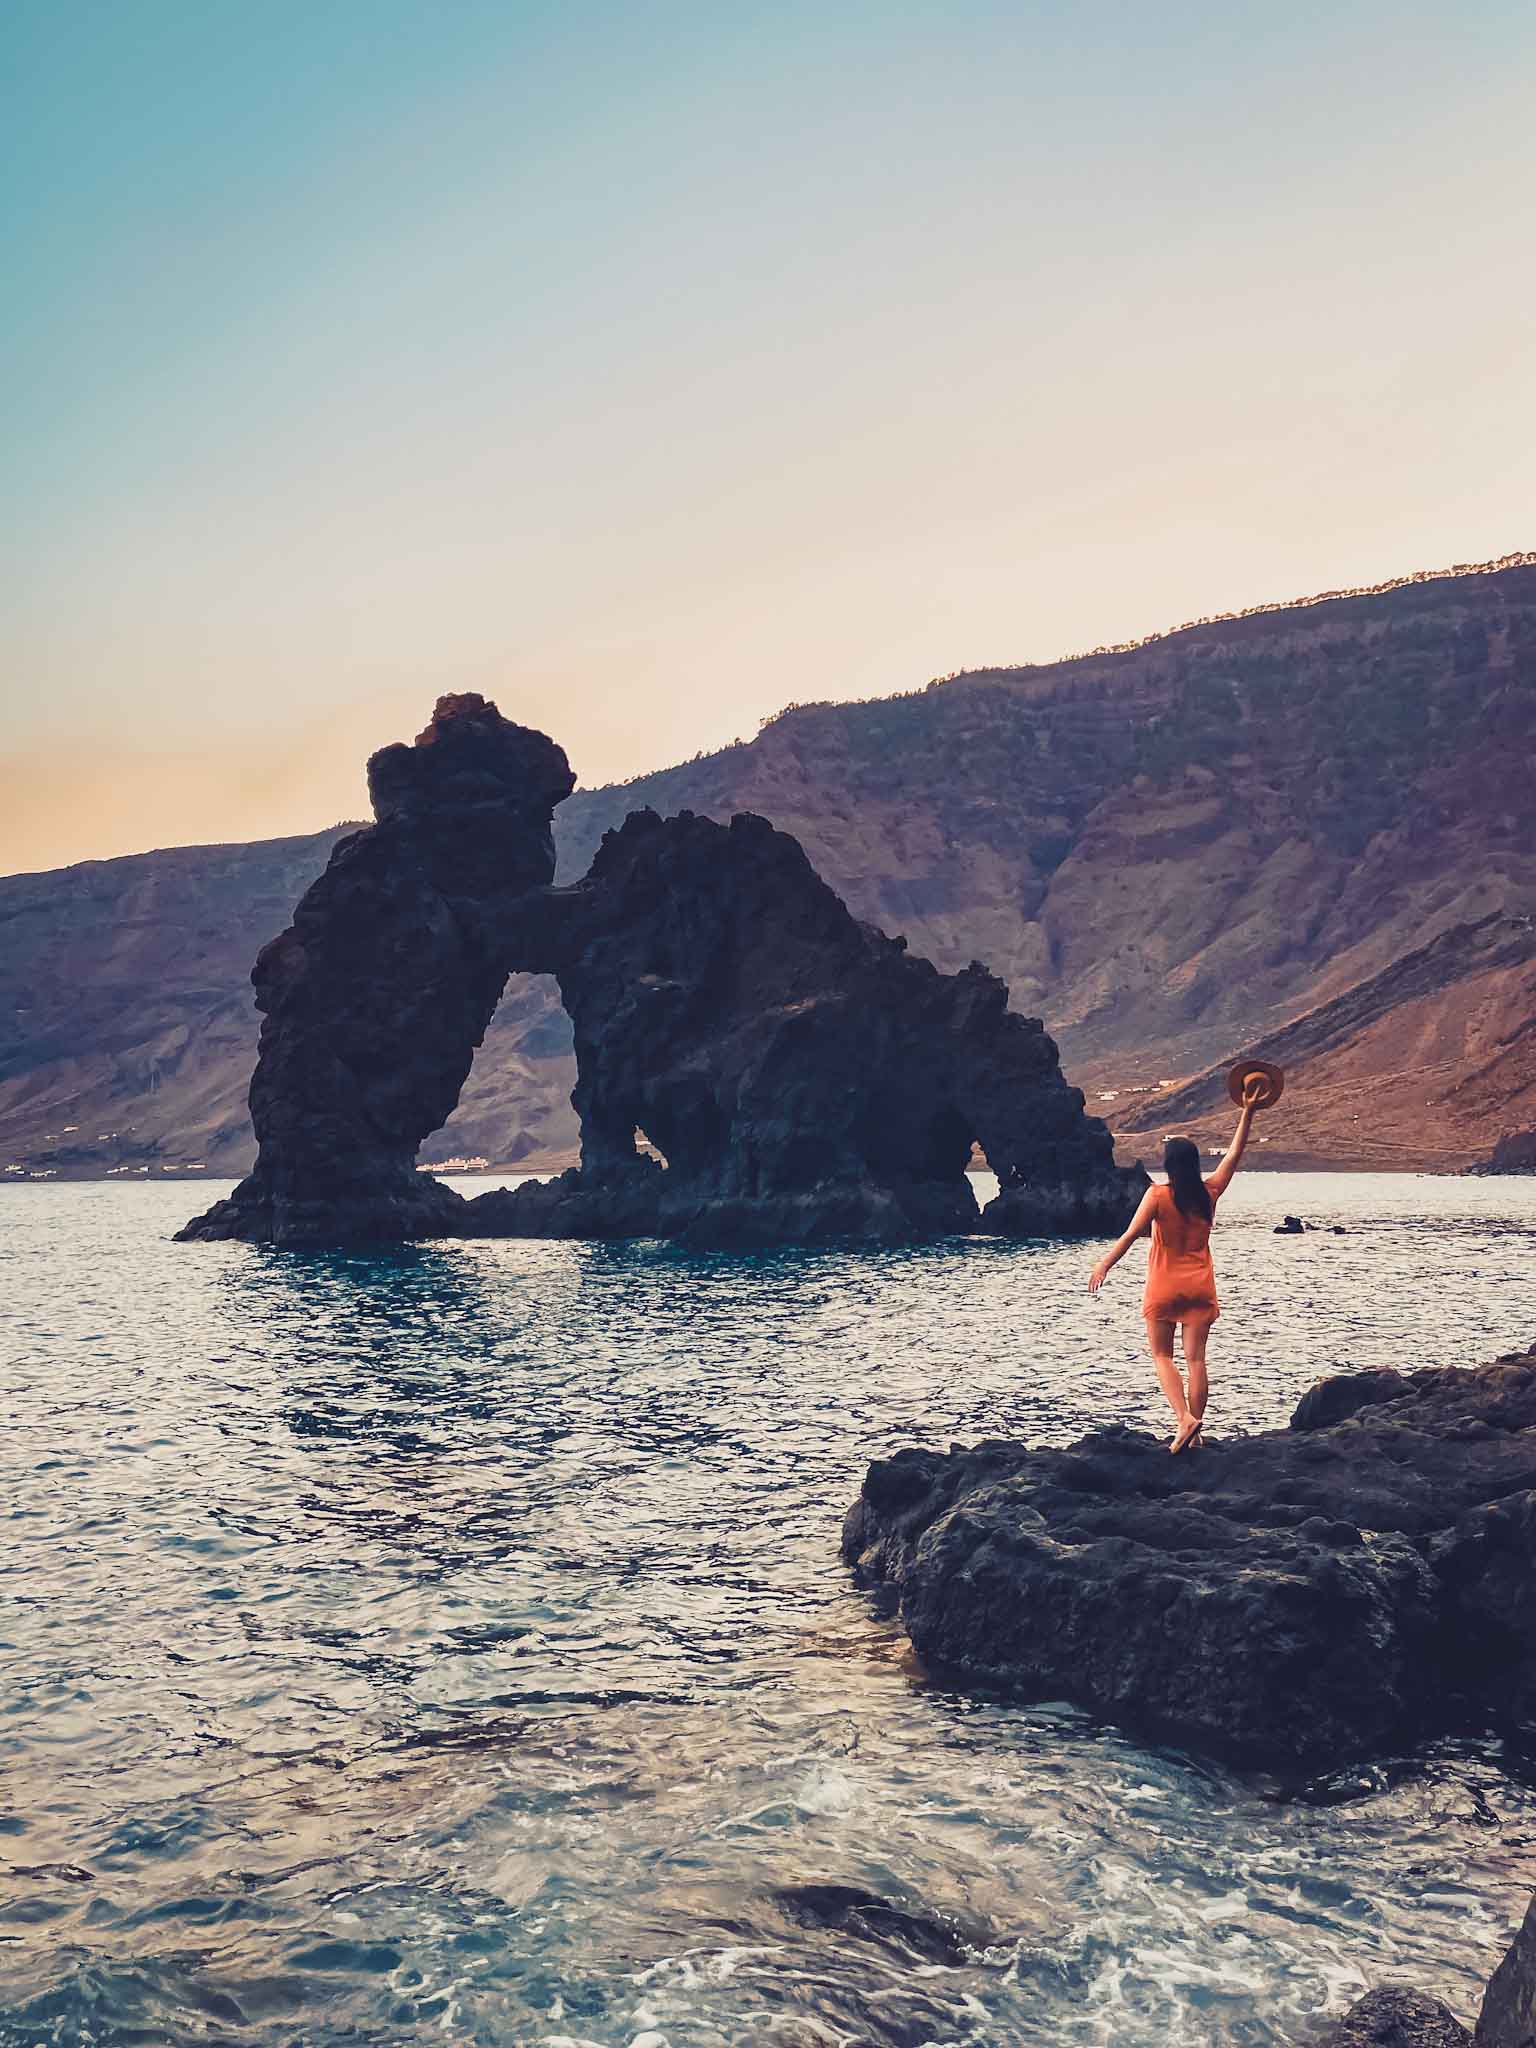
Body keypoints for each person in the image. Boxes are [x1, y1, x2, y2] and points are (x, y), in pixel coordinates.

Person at [1087, 1077, 1267, 1453]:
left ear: (1168, 1166)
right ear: (1195, 1164)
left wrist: (1104, 1265)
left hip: (1164, 1286)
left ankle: (1184, 1420)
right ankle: (1196, 1437)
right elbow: (1234, 1155)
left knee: (1162, 1355)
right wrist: (1247, 1113)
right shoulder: (1210, 1192)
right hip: (1201, 1286)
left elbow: (1131, 1234)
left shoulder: (1157, 1195)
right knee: (1197, 1359)